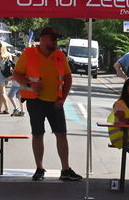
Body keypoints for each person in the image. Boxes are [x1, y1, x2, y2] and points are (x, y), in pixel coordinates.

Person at [13, 26, 81, 182]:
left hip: (55, 102)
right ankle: (39, 168)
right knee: (37, 134)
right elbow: (17, 74)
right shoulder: (29, 53)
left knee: (61, 134)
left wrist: (62, 99)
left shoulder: (59, 55)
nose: (55, 41)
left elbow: (68, 78)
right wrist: (29, 84)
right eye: (53, 38)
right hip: (35, 101)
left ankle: (65, 169)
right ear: (43, 39)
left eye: (56, 39)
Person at [0, 41, 13, 114]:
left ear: (0, 47)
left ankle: (7, 109)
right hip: (7, 75)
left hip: (0, 75)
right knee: (1, 92)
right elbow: (11, 64)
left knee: (2, 92)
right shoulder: (8, 54)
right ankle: (0, 108)